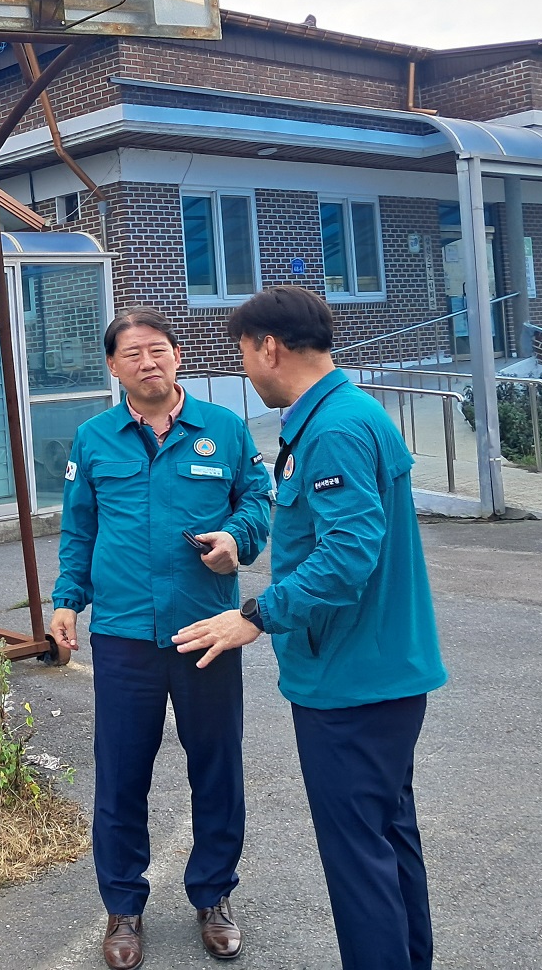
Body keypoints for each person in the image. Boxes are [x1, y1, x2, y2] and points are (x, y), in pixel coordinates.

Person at [173, 287, 448, 970]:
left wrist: (255, 615)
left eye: (242, 355)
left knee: (359, 860)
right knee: (385, 842)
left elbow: (348, 554)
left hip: (351, 681)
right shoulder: (342, 415)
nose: (245, 371)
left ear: (270, 347)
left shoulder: (333, 428)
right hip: (371, 672)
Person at [50, 308, 273, 968]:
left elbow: (257, 503)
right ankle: (123, 908)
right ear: (114, 368)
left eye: (159, 350)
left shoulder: (225, 431)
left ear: (178, 355)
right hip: (122, 635)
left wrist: (240, 539)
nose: (149, 362)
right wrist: (67, 601)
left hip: (206, 629)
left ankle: (213, 897)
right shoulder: (94, 440)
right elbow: (78, 530)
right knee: (120, 776)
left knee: (216, 766)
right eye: (133, 354)